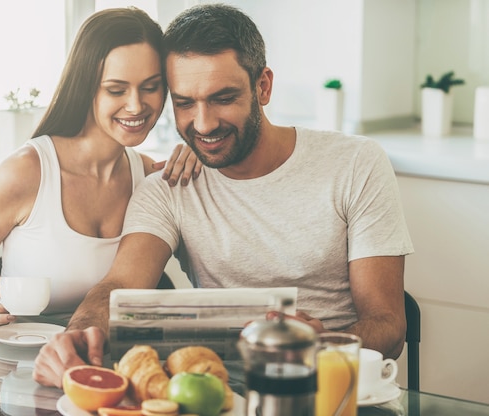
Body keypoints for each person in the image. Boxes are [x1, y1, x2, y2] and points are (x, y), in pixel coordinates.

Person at [33, 3, 414, 388]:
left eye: (223, 98)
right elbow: (117, 288)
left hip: (337, 388)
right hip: (220, 392)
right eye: (185, 103)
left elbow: (388, 326)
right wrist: (77, 334)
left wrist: (316, 346)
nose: (204, 124)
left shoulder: (355, 164)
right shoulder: (168, 188)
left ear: (262, 86)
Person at [0, 7, 201, 327]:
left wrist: (200, 155)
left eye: (150, 86)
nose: (136, 105)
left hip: (107, 359)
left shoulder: (148, 176)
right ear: (87, 86)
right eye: (116, 89)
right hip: (24, 359)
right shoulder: (27, 173)